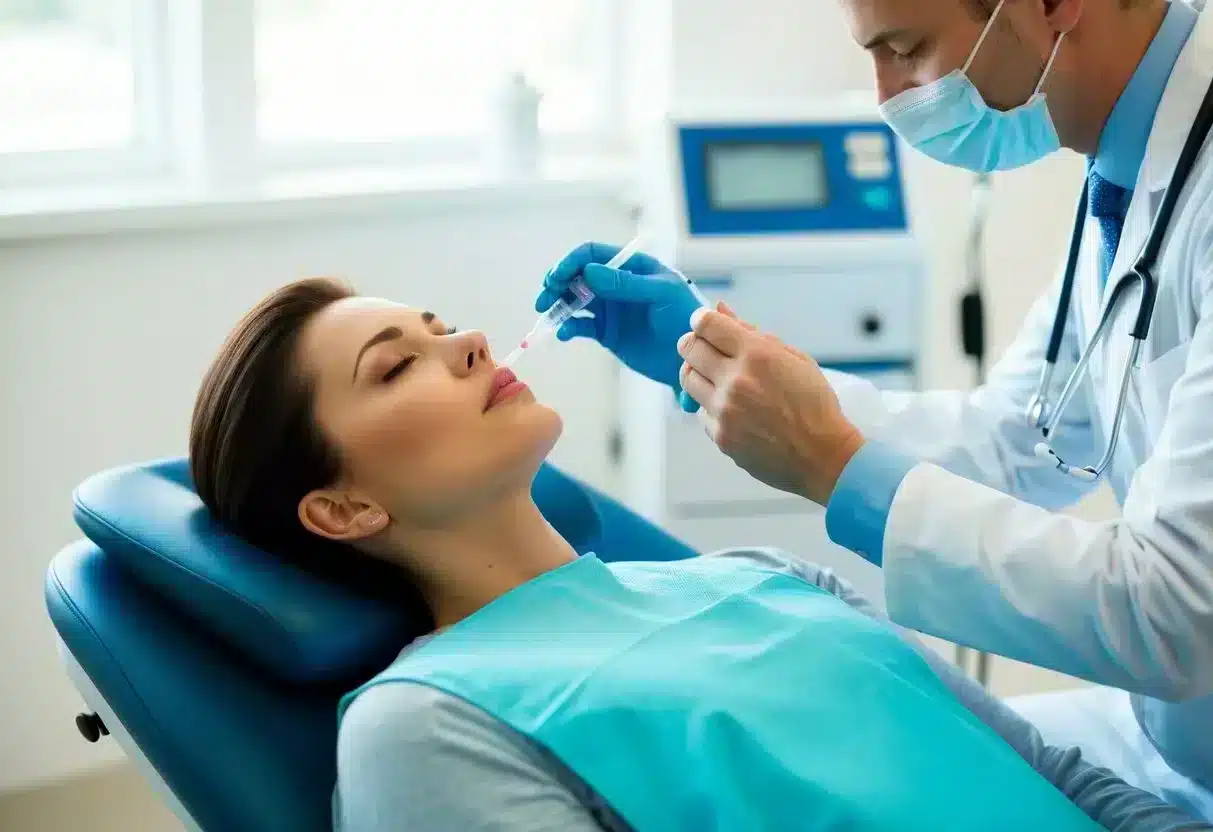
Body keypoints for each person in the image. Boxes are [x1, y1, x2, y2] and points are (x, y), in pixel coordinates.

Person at [187, 278, 1212, 831]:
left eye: (442, 324)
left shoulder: (764, 577)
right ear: (343, 507)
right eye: (395, 366)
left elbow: (1063, 782)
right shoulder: (422, 727)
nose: (468, 344)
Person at [537, 0, 1213, 818]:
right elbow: (1018, 437)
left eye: (906, 48)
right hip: (1169, 737)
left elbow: (1173, 613)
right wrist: (707, 354)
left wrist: (833, 466)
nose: (887, 97)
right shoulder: (1130, 167)